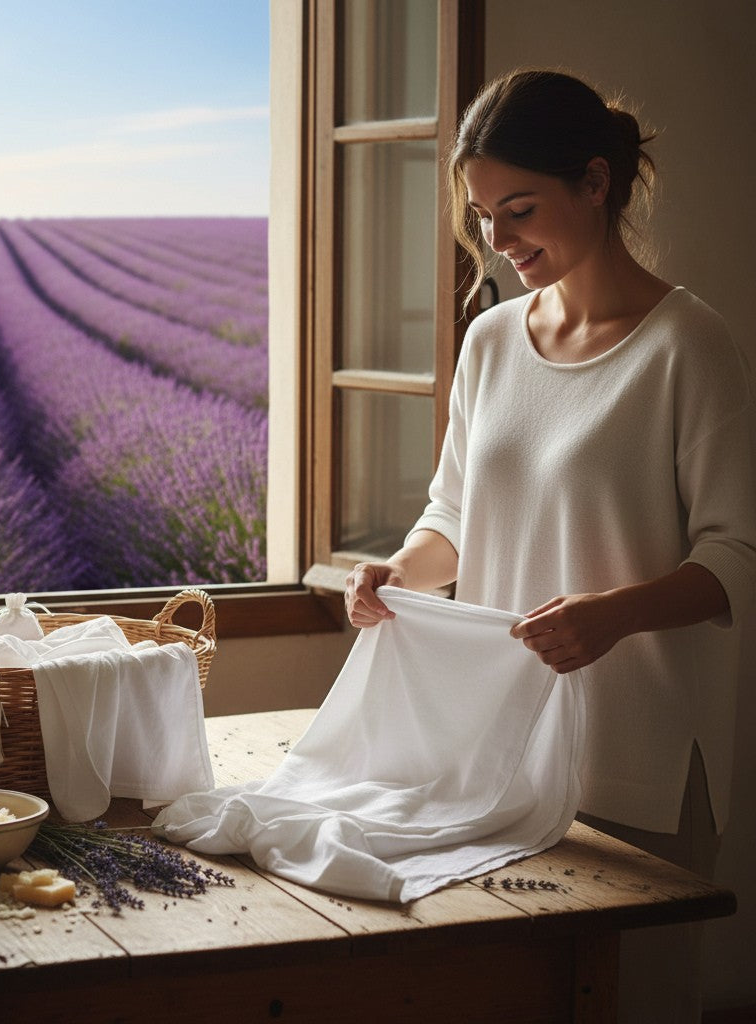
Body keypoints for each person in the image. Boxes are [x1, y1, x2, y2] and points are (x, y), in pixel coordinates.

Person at [344, 68, 756, 1023]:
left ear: (597, 182)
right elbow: (452, 516)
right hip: (506, 754)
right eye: (484, 215)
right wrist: (395, 575)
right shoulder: (490, 341)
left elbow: (738, 556)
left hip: (641, 760)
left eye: (519, 209)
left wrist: (613, 617)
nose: (498, 240)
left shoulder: (688, 346)